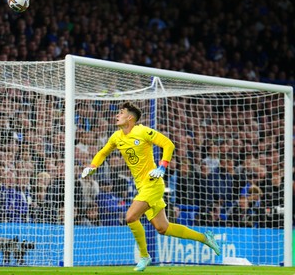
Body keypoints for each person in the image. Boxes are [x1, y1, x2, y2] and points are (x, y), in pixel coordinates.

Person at [82, 102, 220, 272]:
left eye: (121, 112)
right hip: (141, 186)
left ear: (130, 118)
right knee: (163, 228)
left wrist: (162, 166)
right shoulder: (116, 136)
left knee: (131, 217)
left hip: (153, 183)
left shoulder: (142, 131)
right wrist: (93, 166)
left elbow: (168, 144)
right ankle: (205, 238)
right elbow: (103, 152)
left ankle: (144, 256)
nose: (117, 115)